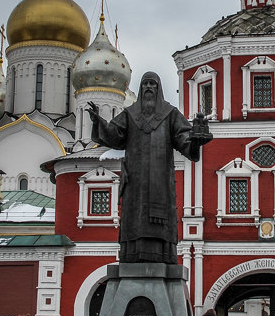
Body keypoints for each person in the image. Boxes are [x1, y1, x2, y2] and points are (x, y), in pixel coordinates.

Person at [87, 72, 212, 264]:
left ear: (158, 88)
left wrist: (195, 141)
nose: (148, 87)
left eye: (152, 84)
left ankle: (162, 257)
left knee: (160, 222)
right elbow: (114, 135)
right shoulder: (130, 114)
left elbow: (184, 140)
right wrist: (98, 121)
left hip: (160, 181)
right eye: (145, 83)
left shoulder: (170, 114)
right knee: (133, 219)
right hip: (134, 182)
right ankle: (131, 257)